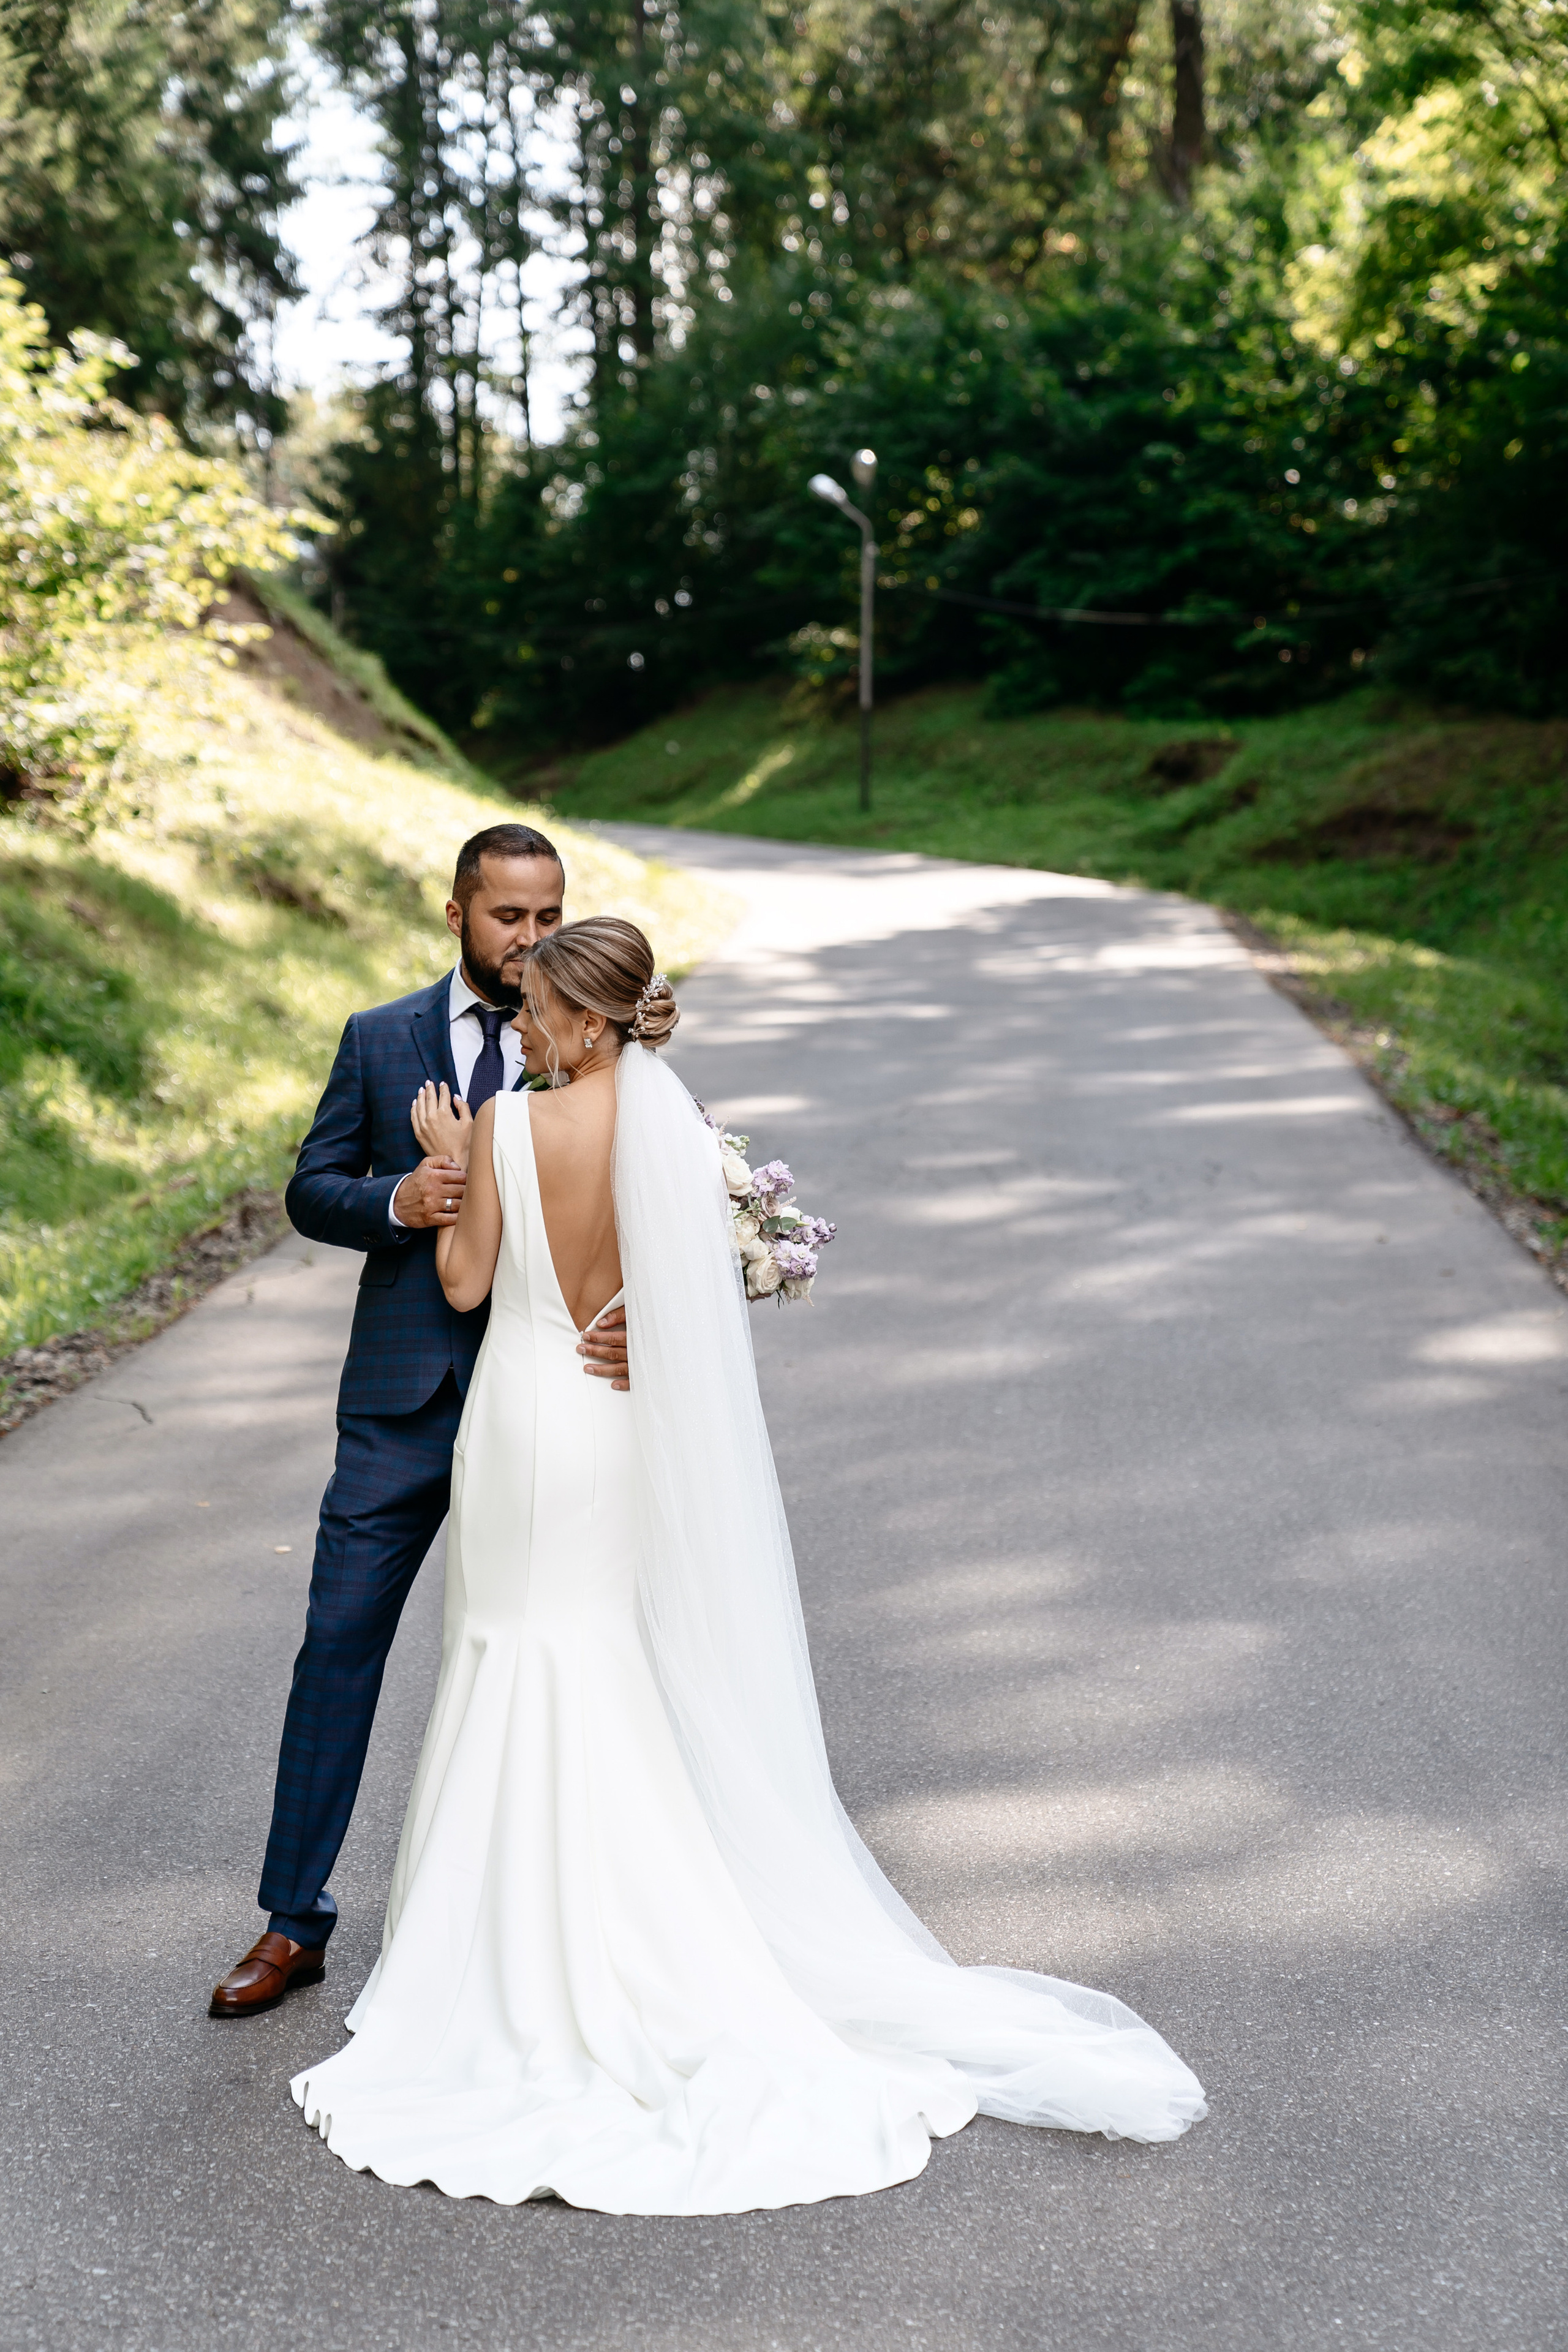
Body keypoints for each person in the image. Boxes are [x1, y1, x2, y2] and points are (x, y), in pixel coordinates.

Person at [290, 916, 1206, 2215]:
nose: (529, 1027)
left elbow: (462, 1280)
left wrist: (448, 1159)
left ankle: (506, 1956)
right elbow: (687, 1302)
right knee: (596, 1651)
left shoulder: (503, 1128)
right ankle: (635, 1938)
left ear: (591, 1020)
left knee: (506, 1650)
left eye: (544, 1010)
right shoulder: (665, 1129)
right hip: (608, 1423)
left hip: (520, 1420)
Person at [209, 824, 629, 2021]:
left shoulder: (592, 1038)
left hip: (551, 1413)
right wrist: (402, 1196)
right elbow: (310, 1188)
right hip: (402, 1406)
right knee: (337, 1648)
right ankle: (293, 1925)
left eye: (550, 915)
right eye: (510, 918)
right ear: (456, 913)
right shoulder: (378, 1038)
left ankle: (554, 1930)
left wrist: (644, 1312)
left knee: (551, 1657)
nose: (532, 940)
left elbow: (676, 1200)